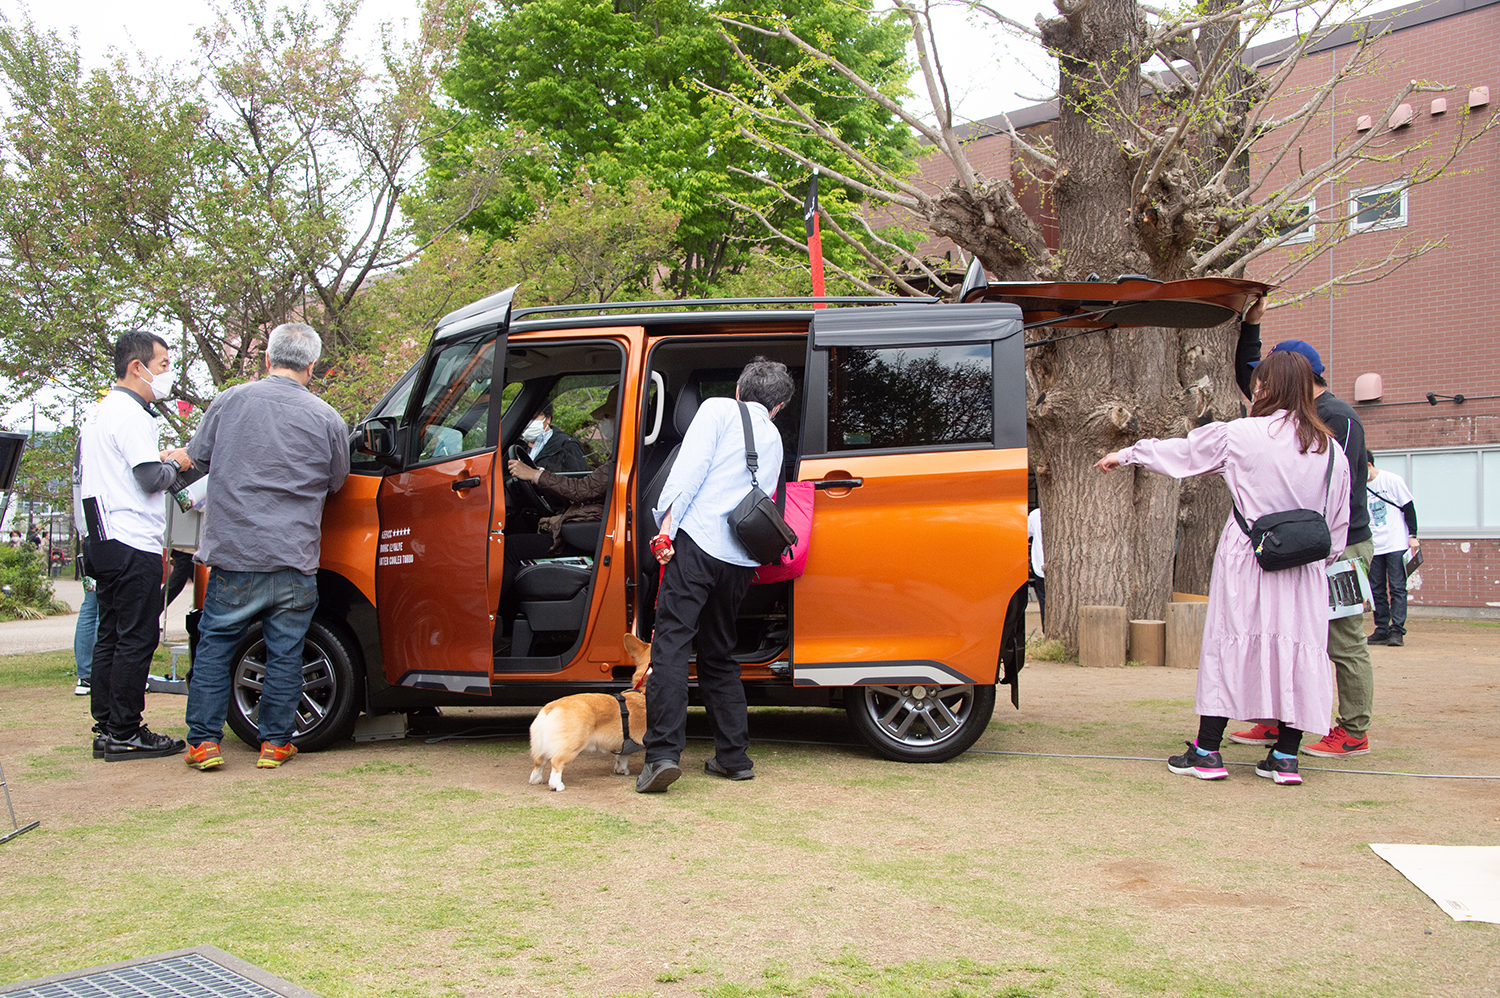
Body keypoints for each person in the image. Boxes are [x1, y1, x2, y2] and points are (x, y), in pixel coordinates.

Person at [1096, 351, 1351, 786]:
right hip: (1304, 564)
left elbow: (1182, 454)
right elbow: (1338, 520)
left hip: (1248, 555)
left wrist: (1127, 454)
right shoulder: (1330, 448)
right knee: (1296, 647)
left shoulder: (1241, 435)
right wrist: (1316, 559)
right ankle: (1286, 755)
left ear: (1265, 388)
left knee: (1228, 641)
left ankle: (1207, 750)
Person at [175, 322, 349, 771]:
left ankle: (203, 744)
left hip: (235, 554)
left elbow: (200, 457)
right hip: (294, 556)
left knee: (215, 645)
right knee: (286, 650)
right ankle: (275, 742)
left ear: (267, 359)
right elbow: (337, 481)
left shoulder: (230, 400)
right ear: (312, 366)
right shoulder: (328, 418)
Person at [636, 359, 795, 793]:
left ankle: (663, 755)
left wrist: (664, 530)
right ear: (778, 405)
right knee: (719, 654)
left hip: (698, 544)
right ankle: (733, 757)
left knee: (670, 645)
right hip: (741, 559)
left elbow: (688, 474)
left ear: (740, 389)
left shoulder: (718, 410)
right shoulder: (775, 436)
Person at [1229, 306, 1376, 759]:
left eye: (1271, 378)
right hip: (1294, 544)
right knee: (1283, 630)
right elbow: (1243, 374)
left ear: (1300, 375)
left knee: (1341, 636)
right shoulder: (1292, 415)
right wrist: (1251, 325)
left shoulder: (1338, 417)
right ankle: (1278, 721)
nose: (1262, 387)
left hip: (1340, 543)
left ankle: (1353, 730)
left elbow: (1339, 494)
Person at [79, 330, 188, 761]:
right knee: (136, 636)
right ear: (136, 367)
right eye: (162, 365)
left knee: (111, 632)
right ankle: (126, 729)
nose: (167, 374)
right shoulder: (132, 414)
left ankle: (107, 724)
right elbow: (149, 480)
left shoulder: (100, 412)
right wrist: (174, 462)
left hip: (101, 536)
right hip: (129, 539)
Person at [1365, 455, 1419, 646]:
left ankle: (1396, 630)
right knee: (1376, 589)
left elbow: (1408, 507)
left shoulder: (1392, 480)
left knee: (1397, 587)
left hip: (1396, 542)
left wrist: (1412, 535)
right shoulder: (1358, 486)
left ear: (1369, 464)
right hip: (1374, 544)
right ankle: (1381, 629)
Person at [521, 401, 589, 474]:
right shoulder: (514, 445)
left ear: (548, 418)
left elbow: (579, 482)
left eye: (534, 417)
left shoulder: (567, 446)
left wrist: (543, 478)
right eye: (524, 417)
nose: (529, 422)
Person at [1027, 506, 1046, 629]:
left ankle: (1046, 629)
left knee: (1044, 600)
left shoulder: (1035, 514)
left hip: (1041, 565)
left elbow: (1026, 533)